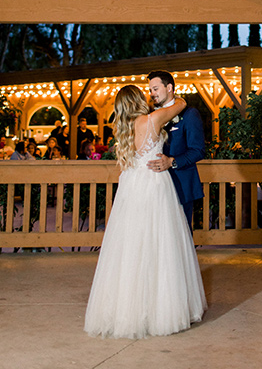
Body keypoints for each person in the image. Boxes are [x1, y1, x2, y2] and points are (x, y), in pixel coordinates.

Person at [84, 84, 206, 339]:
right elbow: (181, 104)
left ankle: (128, 309)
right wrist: (173, 97)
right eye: (144, 93)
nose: (148, 95)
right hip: (153, 184)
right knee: (160, 244)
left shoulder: (123, 127)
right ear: (137, 100)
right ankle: (160, 309)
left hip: (131, 186)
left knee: (131, 246)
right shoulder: (151, 120)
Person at [146, 70, 206, 228]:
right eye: (150, 90)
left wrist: (172, 162)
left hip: (181, 184)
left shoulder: (189, 114)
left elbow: (198, 150)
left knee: (181, 235)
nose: (152, 93)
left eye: (156, 88)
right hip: (156, 185)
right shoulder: (152, 116)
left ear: (169, 87)